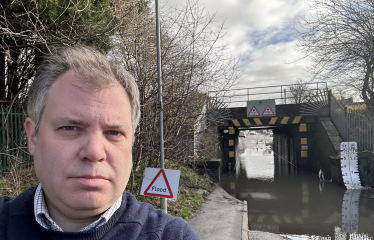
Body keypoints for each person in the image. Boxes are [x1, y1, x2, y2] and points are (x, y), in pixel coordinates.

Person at [0, 45, 201, 239]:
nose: (95, 152)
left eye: (114, 132)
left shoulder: (173, 236)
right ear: (32, 136)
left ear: (131, 140)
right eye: (70, 128)